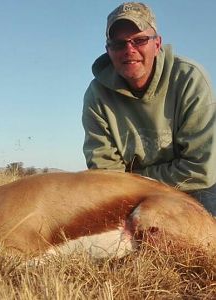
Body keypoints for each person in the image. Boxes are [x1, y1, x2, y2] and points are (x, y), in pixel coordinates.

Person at [82, 2, 216, 215]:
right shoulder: (96, 95)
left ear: (157, 44)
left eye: (140, 40)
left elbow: (199, 170)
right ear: (108, 51)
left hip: (194, 188)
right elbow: (104, 176)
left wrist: (134, 177)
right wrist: (136, 186)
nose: (129, 50)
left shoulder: (191, 80)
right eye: (118, 44)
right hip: (131, 194)